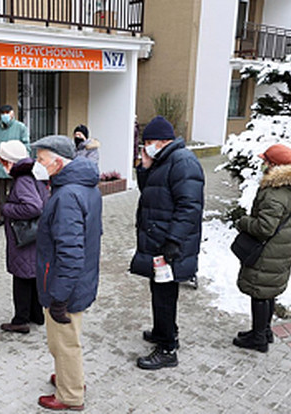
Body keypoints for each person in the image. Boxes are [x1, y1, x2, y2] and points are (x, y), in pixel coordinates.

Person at [33, 135, 102, 411]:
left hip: (66, 284)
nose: (37, 165)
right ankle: (68, 377)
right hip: (78, 279)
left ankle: (70, 394)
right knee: (65, 339)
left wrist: (59, 296)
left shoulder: (67, 196)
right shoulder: (82, 186)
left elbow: (70, 253)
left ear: (58, 162)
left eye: (41, 160)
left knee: (64, 343)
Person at [129, 116, 204, 370]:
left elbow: (189, 207)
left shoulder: (182, 162)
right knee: (159, 291)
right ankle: (163, 332)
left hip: (168, 244)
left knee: (164, 295)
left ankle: (168, 349)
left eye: (149, 142)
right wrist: (144, 167)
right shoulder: (164, 160)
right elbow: (150, 192)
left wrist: (173, 240)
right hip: (157, 239)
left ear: (163, 141)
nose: (145, 147)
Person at [232, 144, 291, 353]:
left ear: (273, 165)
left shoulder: (275, 192)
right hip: (279, 250)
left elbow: (264, 228)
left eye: (265, 161)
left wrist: (243, 222)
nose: (262, 164)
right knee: (268, 292)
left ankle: (258, 339)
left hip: (268, 251)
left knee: (259, 292)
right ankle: (263, 331)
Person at [0, 140, 49, 334]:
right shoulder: (34, 173)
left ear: (9, 161)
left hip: (25, 238)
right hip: (33, 236)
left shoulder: (22, 179)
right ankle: (37, 315)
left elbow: (34, 206)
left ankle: (20, 320)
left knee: (21, 278)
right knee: (32, 276)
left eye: (3, 161)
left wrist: (7, 208)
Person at [0, 104, 30, 227]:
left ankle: (14, 216)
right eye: (3, 113)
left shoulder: (20, 127)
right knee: (1, 195)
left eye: (8, 112)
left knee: (15, 193)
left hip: (15, 168)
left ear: (12, 114)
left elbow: (26, 146)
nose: (5, 115)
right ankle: (3, 216)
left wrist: (23, 164)